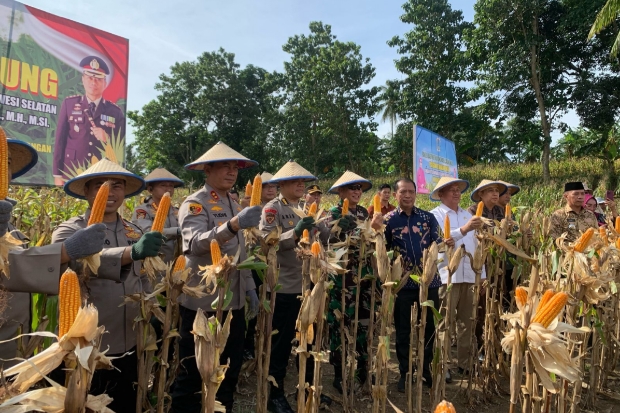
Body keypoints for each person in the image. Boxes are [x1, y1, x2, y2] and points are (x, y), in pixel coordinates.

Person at [52, 159, 164, 413]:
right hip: (86, 348)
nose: (110, 192)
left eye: (117, 185)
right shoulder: (70, 230)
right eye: (100, 186)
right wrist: (129, 252)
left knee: (124, 404)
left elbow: (144, 276)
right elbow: (78, 264)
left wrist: (153, 307)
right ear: (87, 192)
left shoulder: (134, 231)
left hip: (129, 342)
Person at [171, 142, 261, 413]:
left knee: (227, 373)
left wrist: (248, 287)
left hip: (232, 305)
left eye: (235, 167)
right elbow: (195, 243)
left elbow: (239, 252)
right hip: (203, 305)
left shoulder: (233, 203)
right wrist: (233, 225)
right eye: (225, 166)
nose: (232, 172)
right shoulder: (195, 203)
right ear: (207, 169)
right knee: (192, 376)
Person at [0, 138, 106, 365]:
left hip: (12, 350)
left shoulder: (13, 232)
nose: (3, 168)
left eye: (7, 162)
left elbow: (22, 272)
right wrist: (66, 250)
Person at [259, 161, 332, 412]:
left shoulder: (305, 207)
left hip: (310, 284)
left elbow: (322, 237)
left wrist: (332, 227)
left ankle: (308, 388)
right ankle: (275, 395)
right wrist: (293, 234)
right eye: (295, 181)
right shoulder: (272, 208)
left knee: (311, 342)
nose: (301, 185)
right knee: (281, 345)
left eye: (303, 181)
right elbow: (266, 242)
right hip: (285, 286)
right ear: (281, 185)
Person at [326, 171, 382, 393]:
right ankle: (339, 375)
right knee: (340, 326)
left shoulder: (363, 212)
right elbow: (332, 241)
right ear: (341, 192)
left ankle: (362, 370)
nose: (357, 192)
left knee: (364, 325)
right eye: (352, 188)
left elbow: (371, 242)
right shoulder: (333, 213)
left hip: (364, 279)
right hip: (342, 280)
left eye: (359, 188)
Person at [384, 178, 442, 391]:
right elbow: (385, 250)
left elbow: (437, 242)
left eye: (411, 192)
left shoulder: (428, 218)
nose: (407, 196)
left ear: (416, 194)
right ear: (395, 195)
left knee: (429, 328)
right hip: (403, 284)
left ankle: (426, 369)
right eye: (403, 192)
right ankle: (405, 372)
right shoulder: (389, 220)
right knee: (403, 331)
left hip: (429, 282)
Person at [430, 177, 484, 376]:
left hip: (470, 276)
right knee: (444, 322)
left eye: (458, 189)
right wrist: (464, 229)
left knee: (468, 322)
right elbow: (439, 241)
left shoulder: (466, 215)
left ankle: (466, 364)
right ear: (440, 195)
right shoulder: (433, 216)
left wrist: (482, 273)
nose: (456, 193)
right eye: (450, 190)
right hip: (446, 277)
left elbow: (476, 246)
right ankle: (443, 365)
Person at [53, 56, 125, 185]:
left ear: (105, 83)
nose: (93, 82)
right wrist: (57, 174)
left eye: (98, 79)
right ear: (83, 79)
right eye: (90, 78)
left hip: (101, 172)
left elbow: (121, 146)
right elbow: (60, 140)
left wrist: (107, 138)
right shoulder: (69, 104)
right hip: (72, 170)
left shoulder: (115, 111)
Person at [242, 171, 277, 360]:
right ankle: (247, 344)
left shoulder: (277, 208)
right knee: (252, 306)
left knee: (269, 303)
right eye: (266, 186)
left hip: (271, 263)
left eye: (273, 186)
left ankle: (264, 341)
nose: (271, 189)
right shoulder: (249, 207)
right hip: (252, 263)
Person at [132, 168, 184, 264]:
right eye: (163, 185)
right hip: (155, 262)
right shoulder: (142, 211)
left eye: (171, 186)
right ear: (150, 189)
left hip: (176, 262)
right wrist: (177, 231)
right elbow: (148, 232)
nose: (168, 189)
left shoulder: (177, 211)